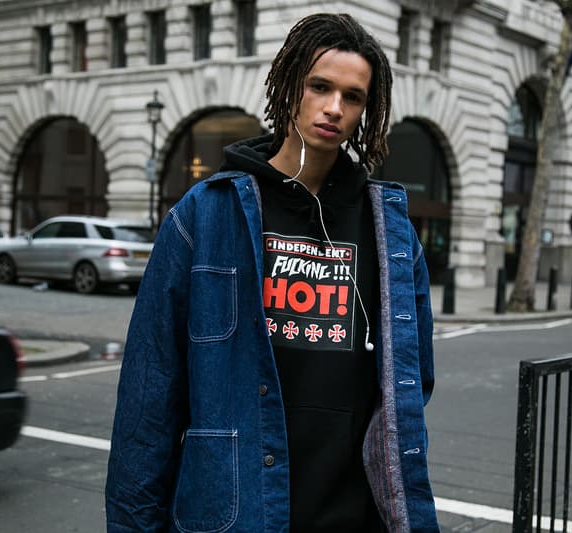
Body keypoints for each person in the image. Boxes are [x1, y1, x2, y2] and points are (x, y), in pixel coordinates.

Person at [105, 13, 439, 533]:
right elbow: (149, 395)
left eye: (352, 97)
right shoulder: (204, 216)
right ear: (289, 87)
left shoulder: (389, 233)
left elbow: (412, 384)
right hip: (232, 515)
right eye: (320, 87)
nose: (334, 108)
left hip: (352, 516)